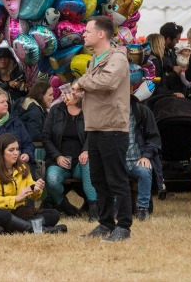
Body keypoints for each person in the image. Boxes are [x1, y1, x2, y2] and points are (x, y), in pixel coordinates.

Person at [74, 16, 132, 242]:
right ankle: (105, 223)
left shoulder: (117, 58)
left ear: (101, 34)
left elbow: (108, 82)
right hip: (95, 126)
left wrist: (81, 83)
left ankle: (124, 226)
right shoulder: (93, 60)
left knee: (116, 179)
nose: (84, 34)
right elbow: (94, 88)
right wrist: (78, 95)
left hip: (113, 126)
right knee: (98, 180)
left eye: (88, 31)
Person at [0, 133, 65, 234]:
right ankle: (39, 230)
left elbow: (32, 193)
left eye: (17, 149)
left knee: (53, 214)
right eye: (11, 150)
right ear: (0, 152)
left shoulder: (22, 168)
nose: (16, 153)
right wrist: (16, 198)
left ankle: (11, 228)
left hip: (18, 213)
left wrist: (36, 189)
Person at [42, 83, 97, 220]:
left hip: (80, 161)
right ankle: (64, 205)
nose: (70, 92)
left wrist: (86, 150)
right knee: (52, 179)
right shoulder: (56, 110)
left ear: (83, 94)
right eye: (70, 89)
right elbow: (46, 137)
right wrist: (57, 156)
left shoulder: (89, 110)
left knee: (87, 163)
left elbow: (94, 133)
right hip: (59, 160)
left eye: (75, 90)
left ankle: (94, 209)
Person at [126, 81, 163, 222]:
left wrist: (146, 156)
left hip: (137, 158)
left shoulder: (143, 111)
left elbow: (154, 139)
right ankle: (116, 207)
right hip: (118, 159)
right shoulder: (110, 113)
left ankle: (142, 208)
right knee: (111, 171)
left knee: (144, 170)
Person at [159, 22, 185, 95]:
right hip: (167, 97)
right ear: (168, 39)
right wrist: (174, 73)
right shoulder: (158, 55)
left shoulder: (172, 51)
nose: (178, 42)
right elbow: (159, 82)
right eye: (176, 40)